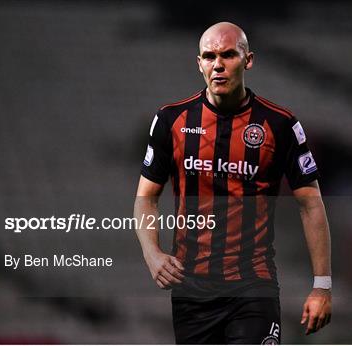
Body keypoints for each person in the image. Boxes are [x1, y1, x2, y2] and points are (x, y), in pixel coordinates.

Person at [134, 22, 332, 344]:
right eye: (209, 57)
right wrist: (152, 253)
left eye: (228, 55)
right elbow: (146, 198)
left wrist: (322, 285)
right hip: (191, 292)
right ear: (199, 63)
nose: (218, 65)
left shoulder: (280, 125)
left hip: (253, 286)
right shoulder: (172, 120)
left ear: (248, 60)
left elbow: (310, 203)